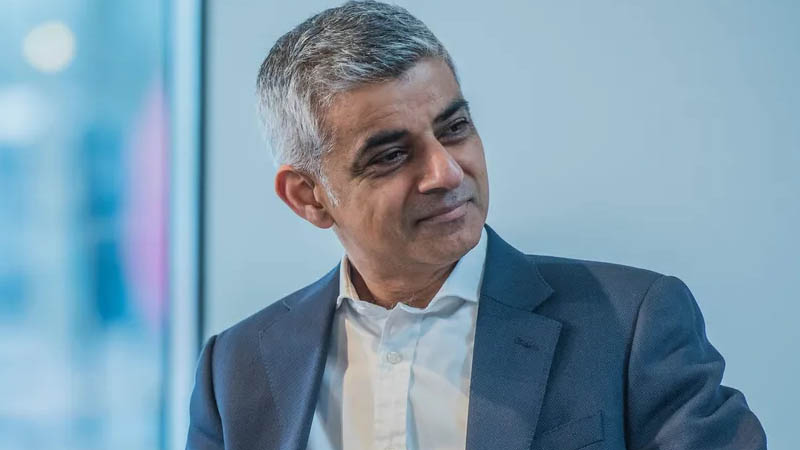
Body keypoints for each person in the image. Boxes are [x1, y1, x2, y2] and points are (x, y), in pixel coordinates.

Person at [186, 1, 767, 449]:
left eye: (455, 128)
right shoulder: (236, 368)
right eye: (392, 155)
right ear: (309, 197)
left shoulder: (631, 323)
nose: (445, 171)